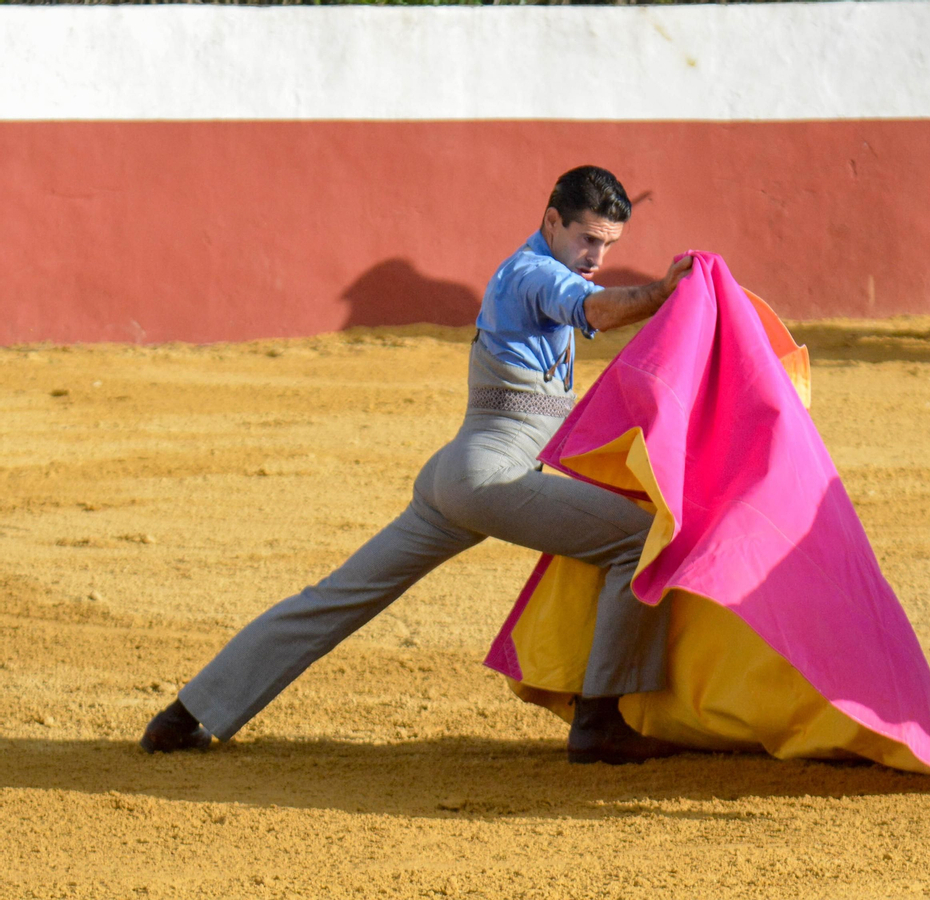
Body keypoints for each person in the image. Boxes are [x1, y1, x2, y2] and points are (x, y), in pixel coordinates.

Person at [140, 165, 694, 764]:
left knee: (338, 596)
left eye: (608, 245)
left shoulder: (527, 273)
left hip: (457, 474)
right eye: (588, 238)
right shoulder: (535, 273)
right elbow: (598, 310)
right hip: (491, 475)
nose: (595, 256)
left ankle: (185, 715)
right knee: (638, 540)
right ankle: (600, 723)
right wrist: (662, 293)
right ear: (552, 220)